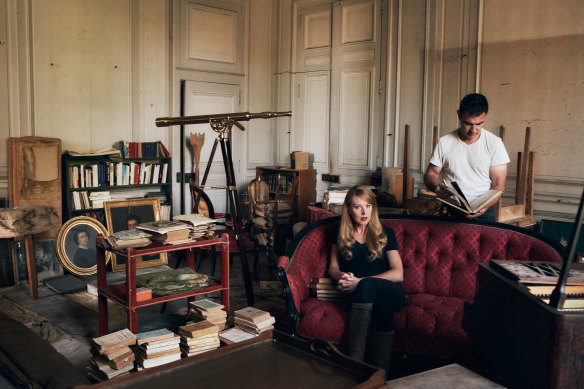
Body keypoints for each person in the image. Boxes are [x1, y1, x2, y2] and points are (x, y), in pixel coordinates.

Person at [328, 185, 405, 376]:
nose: (364, 212)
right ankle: (380, 372)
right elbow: (333, 268)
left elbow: (398, 273)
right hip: (355, 294)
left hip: (388, 289)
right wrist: (343, 277)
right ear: (348, 209)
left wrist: (360, 281)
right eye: (358, 207)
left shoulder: (386, 233)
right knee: (383, 308)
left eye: (368, 206)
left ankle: (354, 364)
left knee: (368, 285)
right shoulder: (340, 232)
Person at [424, 93, 510, 222]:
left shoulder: (495, 143)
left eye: (479, 124)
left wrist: (484, 207)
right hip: (451, 209)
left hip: (484, 212)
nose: (473, 130)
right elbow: (431, 173)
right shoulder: (445, 142)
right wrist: (435, 187)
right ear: (459, 115)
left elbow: (499, 185)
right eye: (468, 123)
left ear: (486, 115)